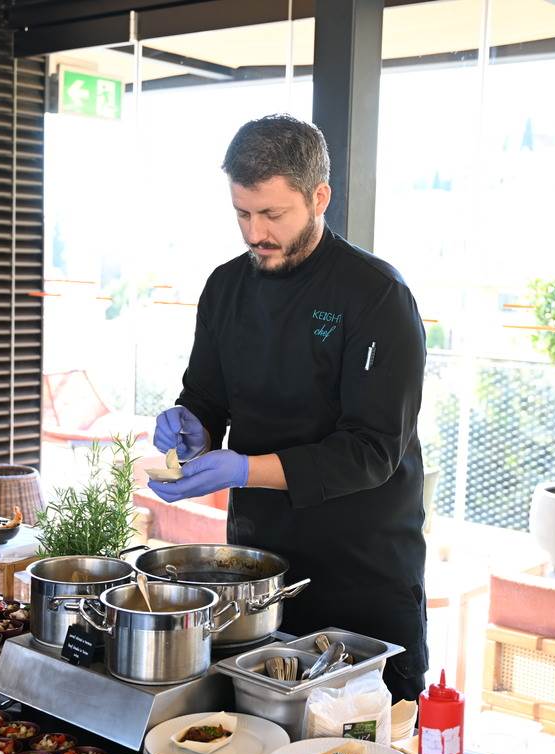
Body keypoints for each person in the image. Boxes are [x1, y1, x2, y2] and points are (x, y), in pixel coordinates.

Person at [146, 114, 428, 701]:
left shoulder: (376, 296)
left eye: (272, 214)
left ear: (319, 197)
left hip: (360, 571)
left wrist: (245, 469)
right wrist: (190, 425)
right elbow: (206, 395)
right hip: (255, 574)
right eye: (242, 214)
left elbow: (372, 450)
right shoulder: (226, 287)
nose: (255, 233)